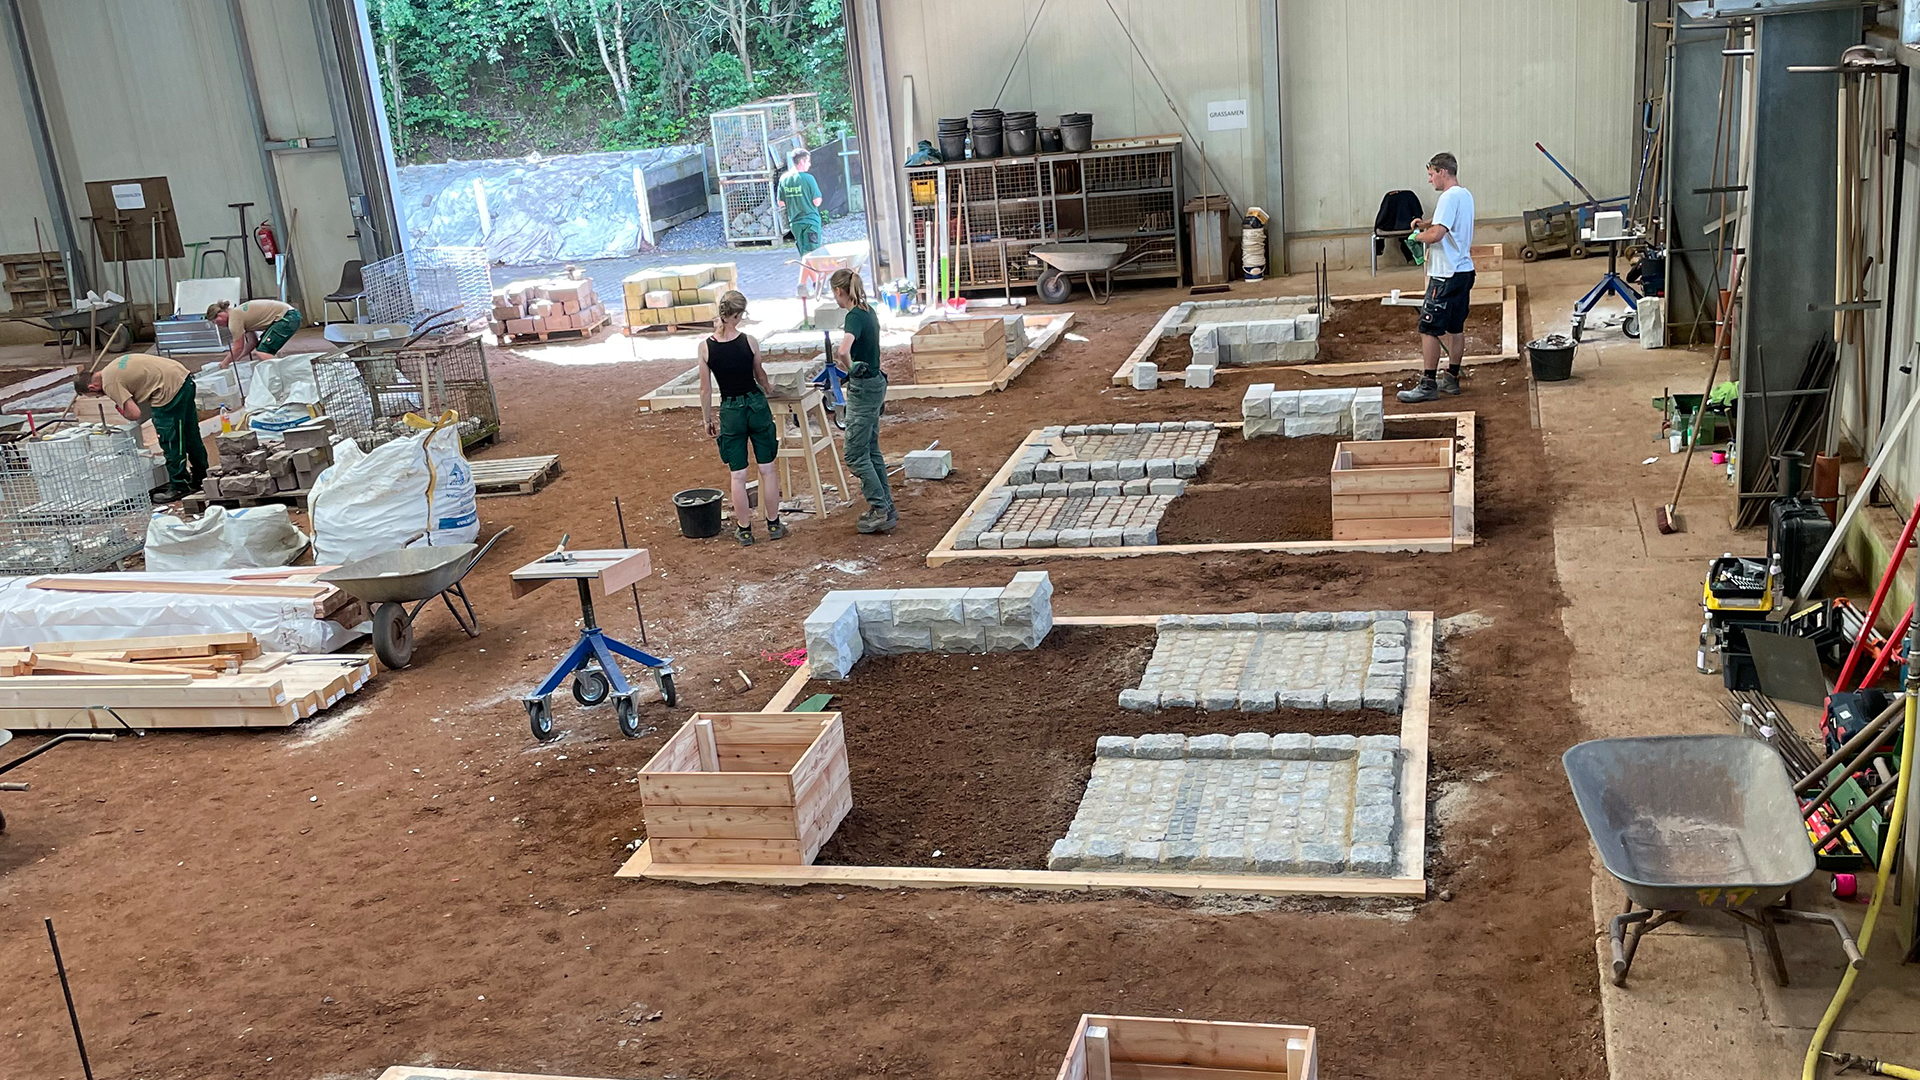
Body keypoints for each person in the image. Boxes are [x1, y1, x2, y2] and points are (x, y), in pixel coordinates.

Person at [699, 290, 788, 547]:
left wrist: (707, 419)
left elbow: (705, 389)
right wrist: (770, 389)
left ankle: (745, 530)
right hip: (756, 405)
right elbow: (760, 375)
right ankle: (774, 524)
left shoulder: (705, 347)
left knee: (738, 475)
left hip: (731, 410)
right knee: (767, 469)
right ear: (736, 315)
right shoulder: (750, 341)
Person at [1397, 152, 1476, 404]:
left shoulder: (1447, 197)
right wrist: (1425, 223)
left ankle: (1428, 383)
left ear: (1442, 172)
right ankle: (1451, 378)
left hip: (1445, 274)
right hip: (1464, 271)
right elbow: (1442, 222)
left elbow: (1438, 234)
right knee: (1455, 328)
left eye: (1431, 174)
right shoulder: (1464, 195)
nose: (1430, 180)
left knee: (1428, 328)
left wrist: (1415, 237)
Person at [74, 354, 207, 502]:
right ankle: (202, 477)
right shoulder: (112, 367)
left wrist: (122, 409)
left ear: (93, 387)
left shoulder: (110, 384)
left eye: (95, 396)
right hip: (183, 378)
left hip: (168, 390)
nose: (100, 397)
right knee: (190, 433)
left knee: (170, 439)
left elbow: (135, 414)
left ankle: (179, 486)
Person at [831, 268, 894, 533]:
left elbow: (842, 350)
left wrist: (850, 366)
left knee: (855, 454)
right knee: (870, 448)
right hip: (876, 382)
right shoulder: (869, 310)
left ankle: (879, 508)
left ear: (838, 291)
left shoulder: (854, 317)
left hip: (864, 387)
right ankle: (886, 505)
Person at [207, 298, 303, 367]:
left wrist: (225, 363)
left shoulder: (234, 318)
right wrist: (235, 360)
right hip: (289, 315)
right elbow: (252, 342)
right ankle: (277, 373)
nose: (220, 326)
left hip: (286, 317)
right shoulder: (237, 313)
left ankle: (288, 374)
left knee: (263, 352)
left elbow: (238, 347)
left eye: (216, 322)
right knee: (262, 349)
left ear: (220, 316)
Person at [778, 148, 824, 259]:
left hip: (795, 223)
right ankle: (814, 277)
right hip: (810, 222)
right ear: (802, 162)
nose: (809, 164)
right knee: (813, 255)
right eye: (808, 161)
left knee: (804, 254)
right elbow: (816, 202)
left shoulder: (784, 178)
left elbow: (781, 202)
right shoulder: (809, 178)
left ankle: (810, 277)